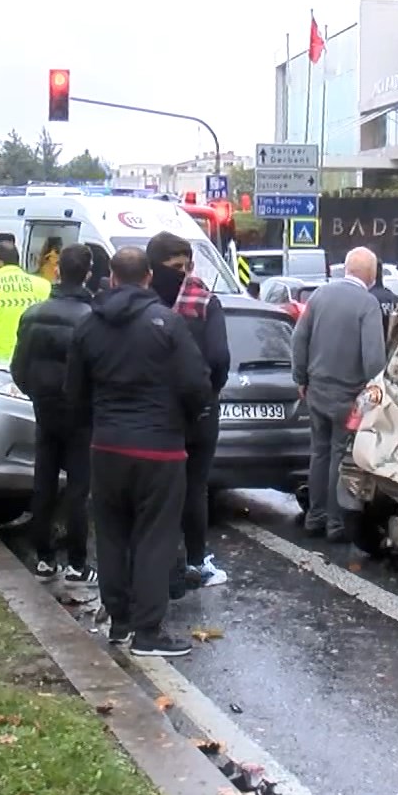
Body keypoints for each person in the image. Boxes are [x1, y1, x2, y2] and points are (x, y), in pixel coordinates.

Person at [67, 247, 213, 658]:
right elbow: (196, 384)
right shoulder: (167, 323)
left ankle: (120, 623)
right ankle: (149, 632)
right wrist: (182, 422)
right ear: (148, 277)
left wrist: (96, 425)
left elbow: (73, 394)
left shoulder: (88, 327)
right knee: (155, 538)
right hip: (160, 450)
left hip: (107, 446)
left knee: (111, 536)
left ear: (112, 278)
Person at [148, 231, 231, 587]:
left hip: (155, 411)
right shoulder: (205, 302)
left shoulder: (143, 304)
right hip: (199, 412)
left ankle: (162, 558)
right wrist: (208, 394)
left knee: (160, 487)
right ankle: (196, 559)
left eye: (186, 266)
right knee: (194, 487)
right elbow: (219, 358)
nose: (183, 273)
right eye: (177, 267)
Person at [11, 243, 96, 586]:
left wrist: (38, 394)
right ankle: (77, 561)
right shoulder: (92, 318)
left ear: (58, 271)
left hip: (45, 409)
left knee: (43, 482)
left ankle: (44, 558)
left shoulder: (33, 315)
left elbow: (18, 368)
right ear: (87, 273)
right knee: (78, 487)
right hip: (81, 414)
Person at [291, 247, 386, 543]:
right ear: (370, 274)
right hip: (349, 395)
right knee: (338, 456)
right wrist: (377, 389)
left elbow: (298, 338)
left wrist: (301, 378)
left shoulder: (319, 296)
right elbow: (374, 359)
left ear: (345, 269)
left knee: (318, 453)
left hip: (317, 389)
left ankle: (314, 517)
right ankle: (335, 524)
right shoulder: (367, 304)